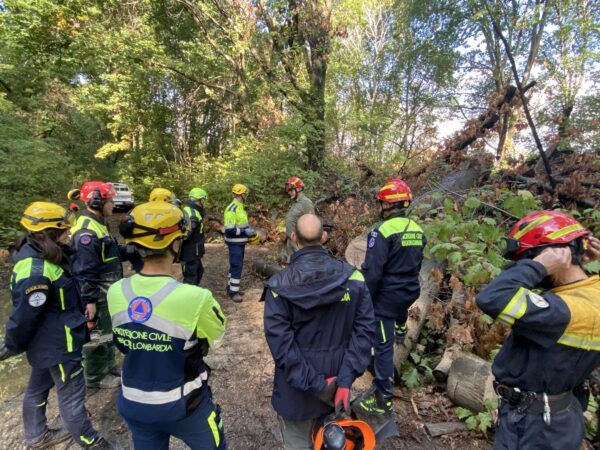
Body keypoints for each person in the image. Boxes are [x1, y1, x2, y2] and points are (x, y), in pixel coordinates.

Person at [476, 210, 600, 450]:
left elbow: (492, 297)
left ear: (554, 254)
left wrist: (539, 266)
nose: (525, 265)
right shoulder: (589, 296)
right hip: (558, 418)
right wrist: (574, 265)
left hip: (533, 427)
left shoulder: (563, 312)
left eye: (527, 259)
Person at [108, 201, 227, 450]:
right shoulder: (196, 297)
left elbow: (124, 344)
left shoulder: (116, 291)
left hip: (134, 403)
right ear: (175, 243)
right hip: (186, 406)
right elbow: (217, 338)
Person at [0, 202, 114, 449]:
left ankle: (36, 435)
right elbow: (24, 316)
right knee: (72, 396)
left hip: (46, 344)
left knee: (38, 387)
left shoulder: (44, 254)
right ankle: (91, 441)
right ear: (49, 233)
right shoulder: (36, 271)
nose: (69, 233)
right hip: (59, 346)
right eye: (64, 230)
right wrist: (11, 344)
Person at [263, 214, 375, 450]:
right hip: (338, 388)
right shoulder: (354, 278)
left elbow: (282, 348)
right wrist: (344, 381)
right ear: (324, 237)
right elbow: (364, 334)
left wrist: (318, 385)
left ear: (293, 238)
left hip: (297, 394)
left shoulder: (278, 286)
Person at [354, 178, 426, 418]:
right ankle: (401, 327)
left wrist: (364, 299)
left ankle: (383, 398)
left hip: (386, 298)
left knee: (383, 347)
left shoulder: (381, 231)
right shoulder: (417, 229)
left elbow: (373, 273)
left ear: (386, 204)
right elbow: (416, 263)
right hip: (409, 290)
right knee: (398, 308)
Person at [70, 181, 124, 389]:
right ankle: (95, 376)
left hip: (106, 291)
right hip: (97, 293)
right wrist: (90, 301)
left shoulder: (99, 223)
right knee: (97, 335)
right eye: (110, 201)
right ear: (97, 202)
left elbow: (110, 253)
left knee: (108, 331)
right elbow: (85, 270)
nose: (113, 205)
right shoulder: (86, 232)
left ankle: (109, 366)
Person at [223, 184, 257, 302]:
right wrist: (245, 232)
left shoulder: (240, 207)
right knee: (236, 266)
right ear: (241, 194)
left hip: (240, 243)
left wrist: (250, 233)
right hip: (234, 243)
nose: (246, 195)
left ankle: (231, 287)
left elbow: (242, 225)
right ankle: (234, 292)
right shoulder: (232, 209)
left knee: (235, 265)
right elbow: (229, 230)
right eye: (245, 194)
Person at [181, 188, 208, 285]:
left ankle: (193, 291)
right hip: (190, 253)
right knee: (191, 279)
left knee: (199, 272)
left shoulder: (190, 210)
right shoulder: (193, 214)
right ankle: (188, 294)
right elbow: (186, 235)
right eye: (204, 200)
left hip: (194, 252)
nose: (205, 202)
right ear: (200, 200)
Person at [284, 176, 314, 259]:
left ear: (298, 189)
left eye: (291, 190)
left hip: (300, 243)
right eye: (288, 190)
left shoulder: (306, 203)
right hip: (291, 241)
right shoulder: (296, 203)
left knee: (301, 262)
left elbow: (312, 223)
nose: (289, 192)